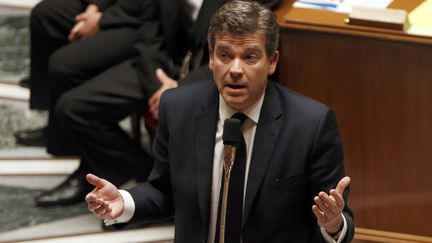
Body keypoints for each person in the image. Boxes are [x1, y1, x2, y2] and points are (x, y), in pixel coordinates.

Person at [85, 1, 355, 242]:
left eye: (249, 57)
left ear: (271, 61)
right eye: (225, 55)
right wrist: (124, 201)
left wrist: (333, 225)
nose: (235, 70)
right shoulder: (179, 108)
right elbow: (164, 190)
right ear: (211, 58)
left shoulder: (310, 124)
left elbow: (336, 221)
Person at [33, 0, 280, 207]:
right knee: (73, 108)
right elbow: (150, 31)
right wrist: (156, 80)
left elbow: (249, 51)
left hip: (217, 75)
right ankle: (145, 174)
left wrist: (178, 91)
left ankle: (162, 191)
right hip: (165, 65)